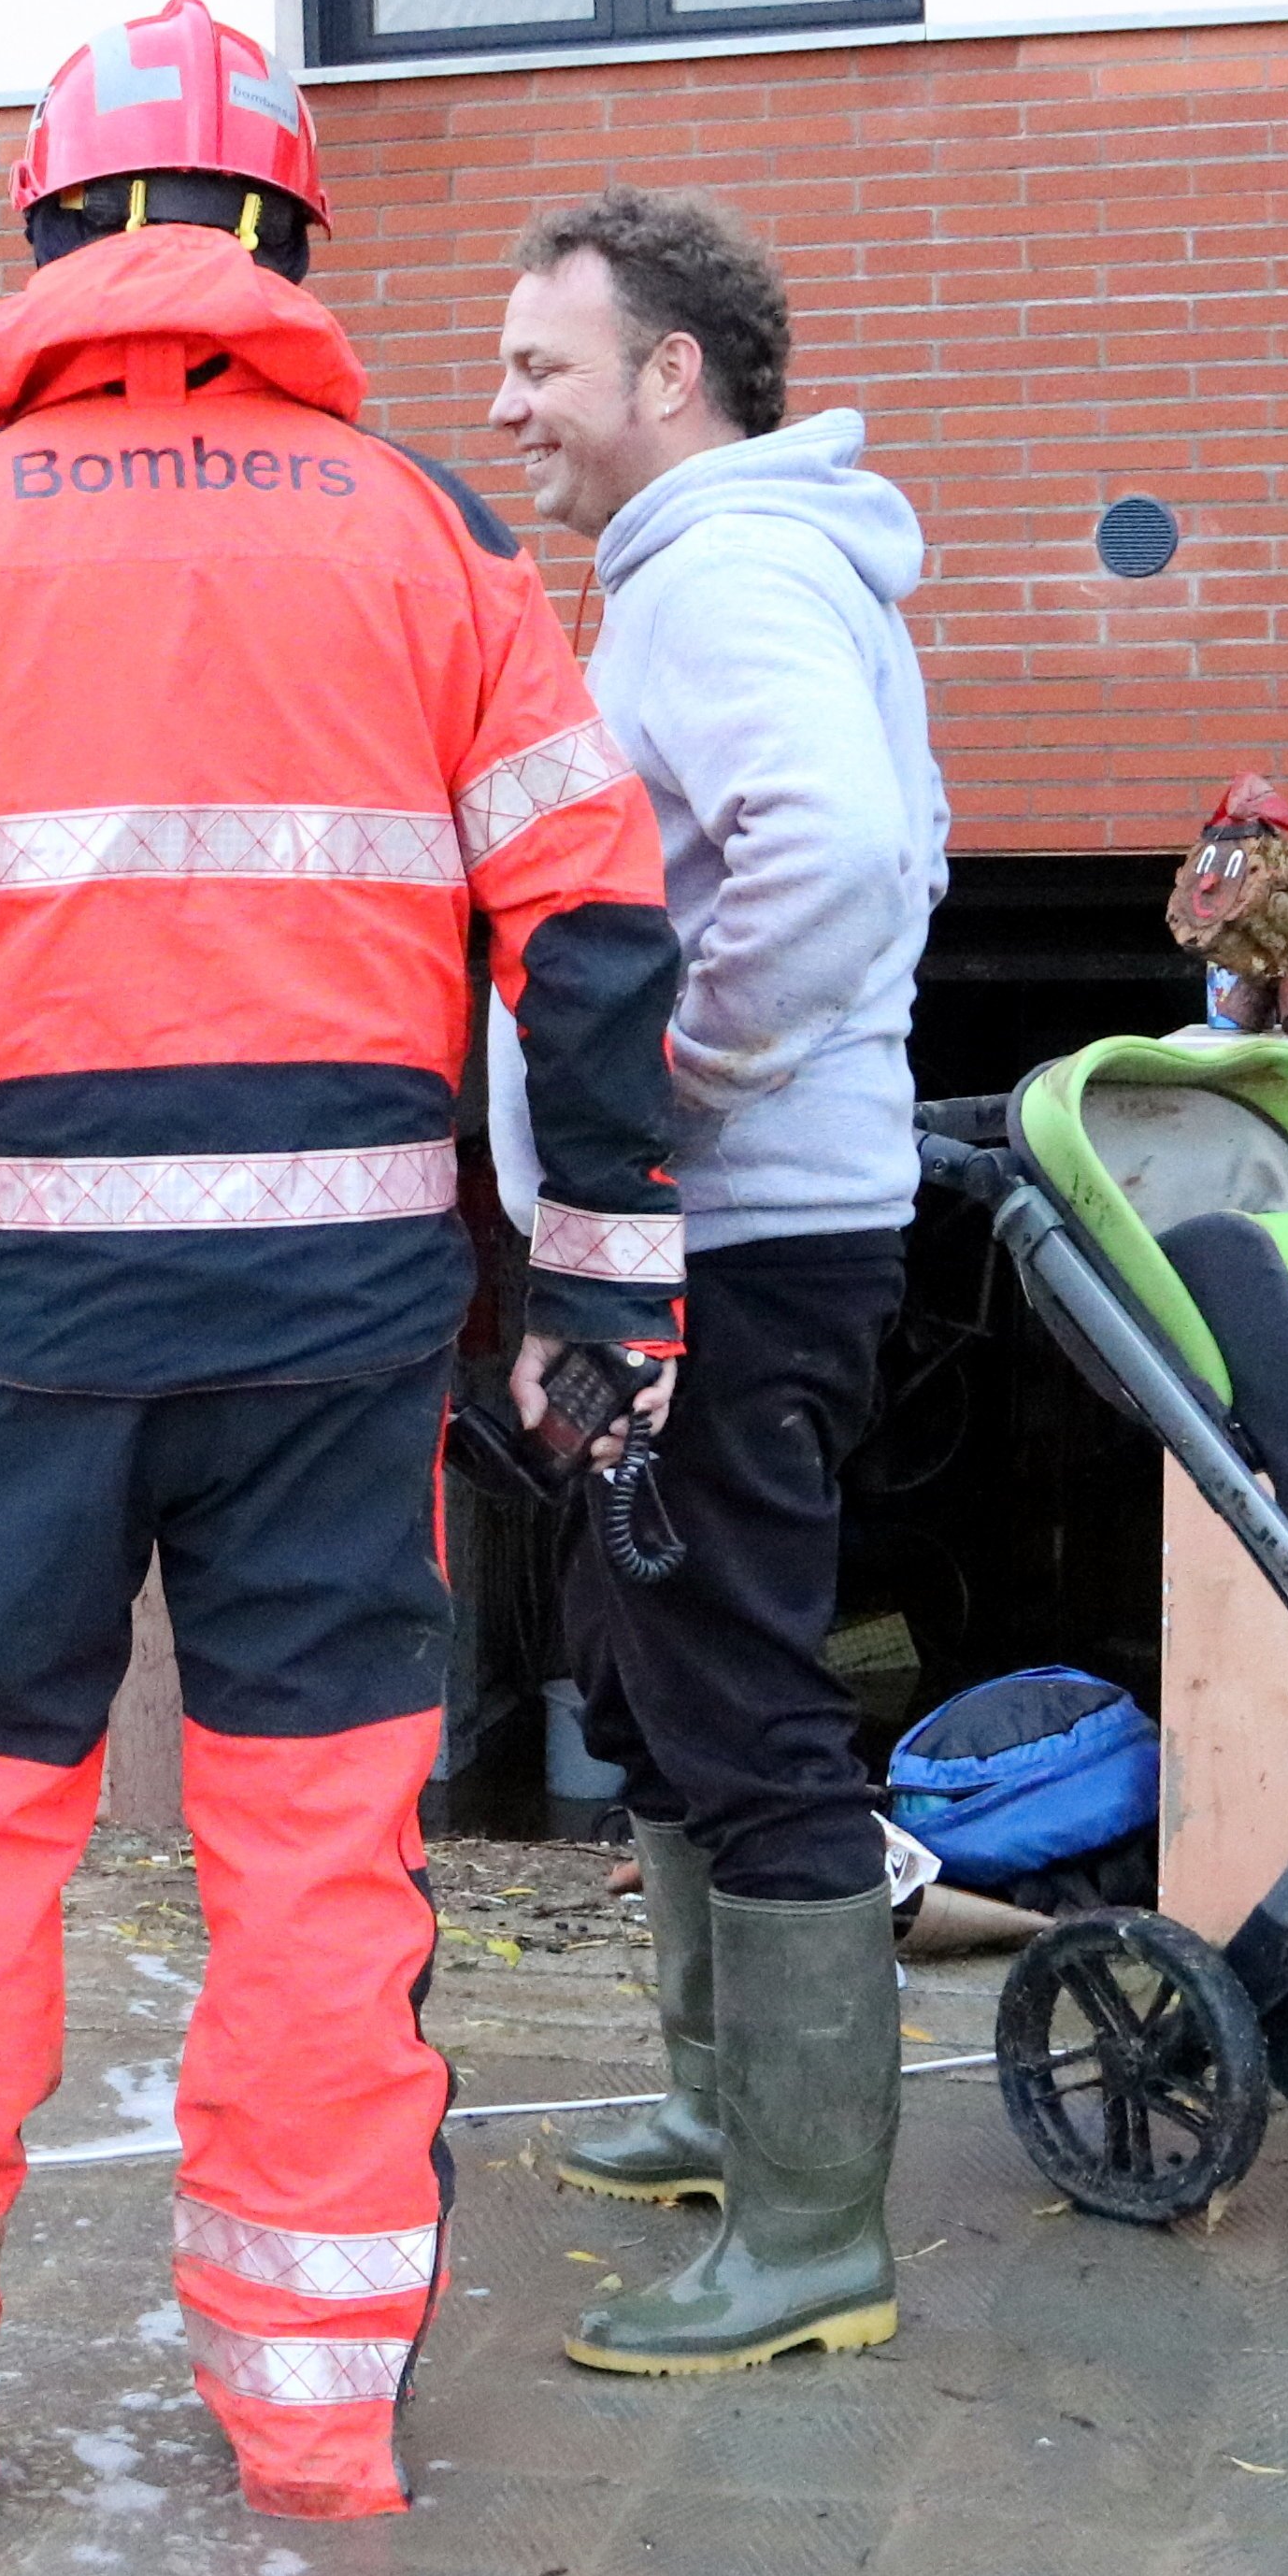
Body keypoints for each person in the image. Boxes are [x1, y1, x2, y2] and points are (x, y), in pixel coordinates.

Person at [0, 0, 686, 2528]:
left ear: (52, 236)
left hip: (27, 1327)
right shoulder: (428, 540)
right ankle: (309, 2405)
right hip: (339, 1333)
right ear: (286, 242)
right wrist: (599, 1301)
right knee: (310, 1860)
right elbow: (587, 941)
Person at [479, 186, 951, 2378]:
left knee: (744, 1693)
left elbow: (837, 852)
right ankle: (714, 2106)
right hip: (711, 1233)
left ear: (670, 371)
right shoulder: (707, 571)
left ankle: (808, 2230)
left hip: (742, 1241)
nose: (506, 408)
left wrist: (685, 1071)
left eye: (540, 367)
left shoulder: (728, 571)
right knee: (652, 1659)